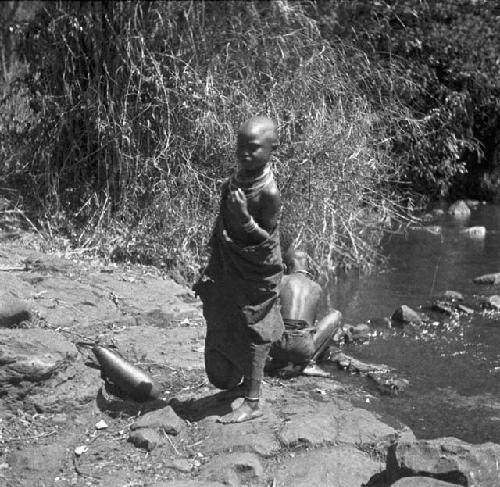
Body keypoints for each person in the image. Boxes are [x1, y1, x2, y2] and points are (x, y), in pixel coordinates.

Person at [193, 116, 284, 423]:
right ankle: (243, 381)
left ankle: (254, 400)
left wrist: (245, 219)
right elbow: (222, 223)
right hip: (231, 264)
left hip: (257, 269)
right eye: (240, 147)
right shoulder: (234, 182)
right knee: (228, 314)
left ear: (273, 149)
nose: (245, 154)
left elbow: (267, 238)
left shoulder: (269, 192)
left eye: (254, 148)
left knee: (256, 326)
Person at [269, 248, 342, 375]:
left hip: (277, 347)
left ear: (285, 266)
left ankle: (279, 361)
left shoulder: (280, 281)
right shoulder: (316, 287)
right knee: (336, 315)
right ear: (307, 267)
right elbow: (311, 325)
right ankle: (309, 363)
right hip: (302, 349)